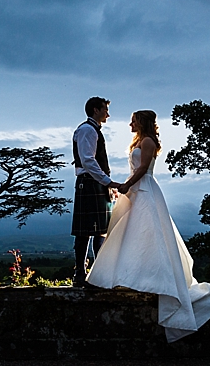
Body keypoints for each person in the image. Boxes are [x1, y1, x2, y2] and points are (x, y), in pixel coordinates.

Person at [87, 110, 210, 342]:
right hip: (136, 190)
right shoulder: (140, 141)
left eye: (133, 120)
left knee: (147, 235)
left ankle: (151, 279)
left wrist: (126, 185)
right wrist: (126, 187)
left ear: (141, 122)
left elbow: (142, 170)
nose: (130, 123)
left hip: (145, 190)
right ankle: (131, 277)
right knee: (130, 235)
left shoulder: (148, 141)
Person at [71, 97, 123, 288]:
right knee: (85, 231)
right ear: (95, 110)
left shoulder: (92, 130)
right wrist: (109, 182)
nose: (107, 114)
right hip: (90, 183)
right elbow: (88, 161)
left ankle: (97, 273)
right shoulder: (87, 130)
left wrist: (108, 185)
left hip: (96, 184)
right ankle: (80, 273)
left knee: (100, 231)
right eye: (105, 110)